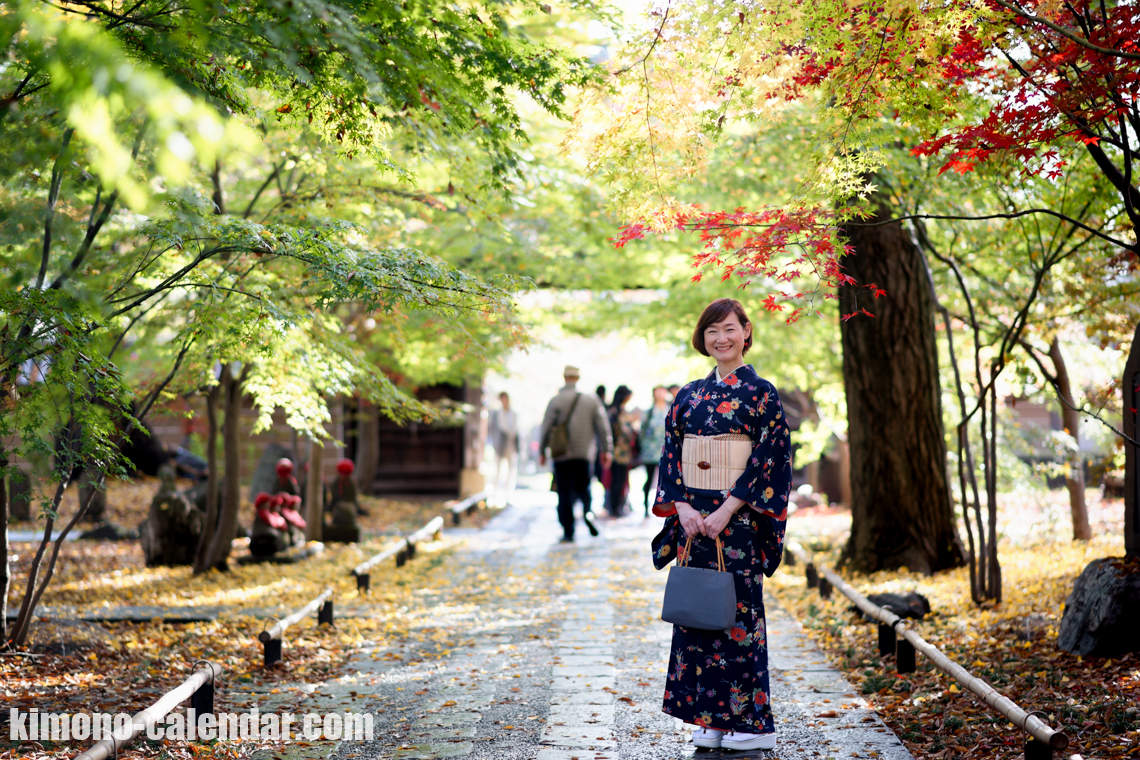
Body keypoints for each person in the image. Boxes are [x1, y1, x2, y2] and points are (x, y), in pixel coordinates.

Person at [650, 298, 792, 752]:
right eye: (712, 331)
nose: (721, 338)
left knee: (737, 616)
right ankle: (708, 717)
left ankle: (752, 724)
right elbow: (670, 455)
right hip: (693, 523)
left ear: (746, 332)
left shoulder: (762, 393)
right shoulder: (687, 394)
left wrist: (728, 509)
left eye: (729, 329)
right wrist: (683, 510)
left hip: (740, 520)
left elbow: (771, 459)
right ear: (703, 338)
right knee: (696, 614)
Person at [540, 365, 612, 543]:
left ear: (564, 377)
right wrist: (607, 450)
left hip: (561, 454)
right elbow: (602, 427)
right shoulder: (591, 400)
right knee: (584, 488)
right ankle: (587, 513)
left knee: (563, 492)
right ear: (578, 378)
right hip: (584, 454)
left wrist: (542, 450)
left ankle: (568, 531)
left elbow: (545, 428)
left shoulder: (556, 401)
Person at [606, 385, 637, 517]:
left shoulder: (616, 411)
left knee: (619, 480)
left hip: (622, 451)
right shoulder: (617, 412)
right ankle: (615, 507)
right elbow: (625, 431)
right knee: (618, 480)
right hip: (619, 452)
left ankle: (617, 506)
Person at [640, 385, 671, 517]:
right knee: (649, 477)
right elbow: (642, 432)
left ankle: (668, 508)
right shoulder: (649, 412)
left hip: (666, 450)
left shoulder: (670, 409)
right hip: (650, 451)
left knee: (667, 479)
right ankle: (646, 506)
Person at [488, 391, 519, 507]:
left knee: (510, 472)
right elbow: (494, 430)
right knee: (496, 471)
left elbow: (515, 430)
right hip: (499, 446)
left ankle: (508, 496)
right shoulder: (496, 414)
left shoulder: (513, 414)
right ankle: (493, 497)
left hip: (511, 446)